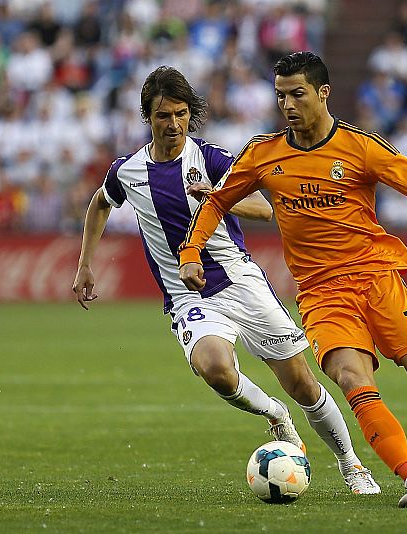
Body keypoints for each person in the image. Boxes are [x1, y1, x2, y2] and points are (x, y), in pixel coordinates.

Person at [179, 52, 407, 508]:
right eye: (280, 95)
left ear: (323, 93)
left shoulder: (361, 147)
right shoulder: (263, 154)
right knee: (351, 379)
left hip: (377, 279)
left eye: (297, 94)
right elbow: (217, 201)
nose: (287, 104)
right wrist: (191, 251)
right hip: (322, 294)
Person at [71, 66, 379, 495]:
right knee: (214, 368)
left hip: (240, 283)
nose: (173, 124)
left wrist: (215, 197)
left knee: (303, 384)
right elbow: (100, 204)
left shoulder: (211, 158)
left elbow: (262, 208)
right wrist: (86, 263)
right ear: (149, 117)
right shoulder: (128, 170)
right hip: (186, 295)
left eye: (180, 114)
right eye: (163, 116)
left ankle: (352, 465)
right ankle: (275, 415)